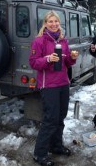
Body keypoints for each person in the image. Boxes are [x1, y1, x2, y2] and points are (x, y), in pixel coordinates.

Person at [29, 10, 79, 166]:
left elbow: (67, 63)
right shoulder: (39, 41)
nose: (54, 24)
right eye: (50, 21)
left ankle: (56, 146)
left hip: (63, 83)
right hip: (48, 85)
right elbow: (33, 62)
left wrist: (72, 58)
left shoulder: (63, 41)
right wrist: (48, 59)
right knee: (50, 119)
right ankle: (39, 153)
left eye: (56, 21)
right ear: (45, 23)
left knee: (60, 117)